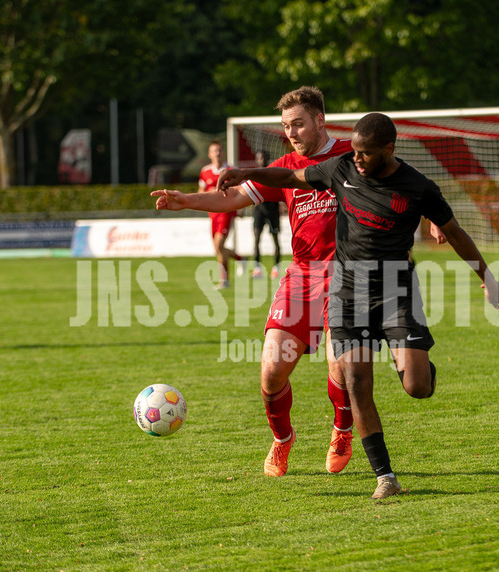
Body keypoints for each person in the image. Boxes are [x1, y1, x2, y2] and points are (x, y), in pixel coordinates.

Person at [217, 112, 499, 499]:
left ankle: (418, 365)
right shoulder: (343, 168)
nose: (358, 159)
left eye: (365, 153)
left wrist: (487, 277)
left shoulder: (417, 186)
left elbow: (454, 232)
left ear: (389, 149)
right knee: (356, 383)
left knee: (417, 387)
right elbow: (289, 177)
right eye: (354, 151)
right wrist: (245, 172)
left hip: (395, 290)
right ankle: (385, 477)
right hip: (347, 292)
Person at [152, 86, 356, 478]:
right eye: (286, 126)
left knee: (341, 362)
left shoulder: (352, 154)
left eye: (298, 124)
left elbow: (398, 178)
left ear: (320, 120)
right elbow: (231, 199)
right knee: (271, 370)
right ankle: (282, 440)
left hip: (349, 275)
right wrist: (187, 200)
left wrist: (433, 215)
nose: (292, 133)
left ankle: (342, 431)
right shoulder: (284, 167)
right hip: (302, 275)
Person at [199, 139, 244, 289]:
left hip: (227, 212)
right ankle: (240, 259)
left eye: (219, 150)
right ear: (209, 154)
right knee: (218, 249)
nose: (217, 153)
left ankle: (225, 281)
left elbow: (241, 191)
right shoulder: (205, 171)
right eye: (214, 151)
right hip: (212, 214)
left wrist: (241, 207)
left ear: (223, 152)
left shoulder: (231, 170)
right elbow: (201, 191)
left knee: (219, 245)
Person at [251, 150, 282, 279]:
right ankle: (257, 268)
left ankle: (276, 268)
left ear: (267, 158)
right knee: (257, 239)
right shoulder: (254, 175)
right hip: (259, 211)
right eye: (259, 158)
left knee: (275, 239)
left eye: (263, 158)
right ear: (256, 160)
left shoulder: (273, 173)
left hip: (273, 210)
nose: (261, 160)